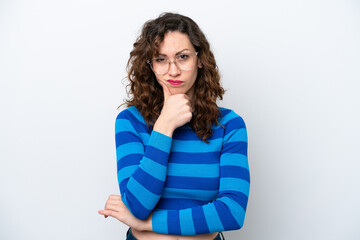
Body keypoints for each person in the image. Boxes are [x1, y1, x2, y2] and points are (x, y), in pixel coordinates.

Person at [98, 12, 250, 240]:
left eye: (183, 57)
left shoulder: (229, 125)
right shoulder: (130, 121)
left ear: (199, 59)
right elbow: (138, 204)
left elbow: (232, 213)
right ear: (150, 66)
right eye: (161, 59)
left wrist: (147, 223)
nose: (173, 71)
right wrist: (164, 126)